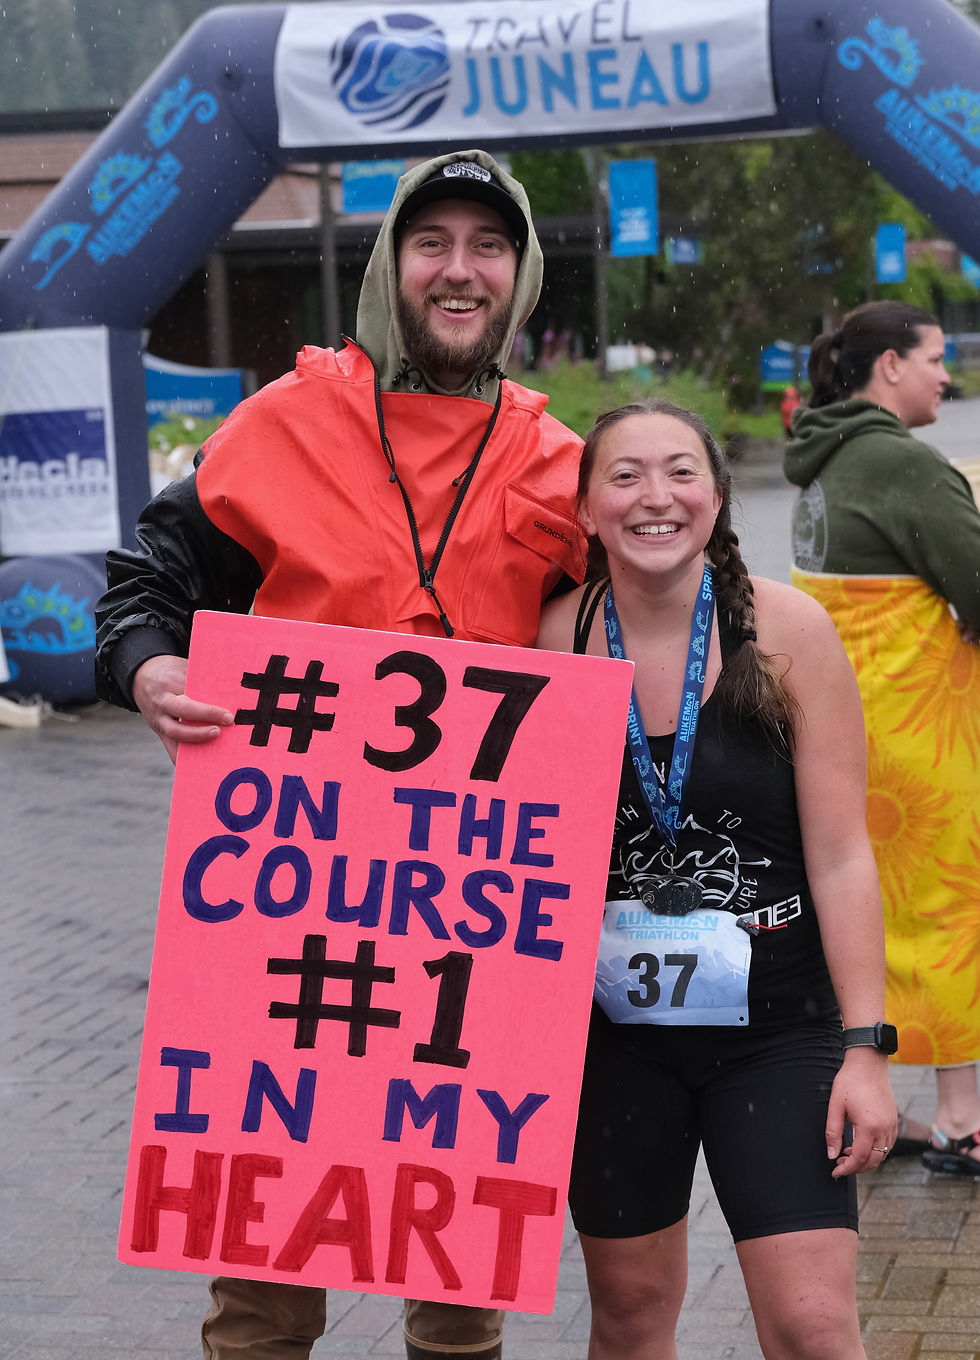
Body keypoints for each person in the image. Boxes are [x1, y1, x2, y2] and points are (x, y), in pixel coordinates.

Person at [94, 149, 587, 1360]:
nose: (458, 270)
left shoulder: (563, 462)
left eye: (487, 245)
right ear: (390, 266)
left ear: (518, 280)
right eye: (432, 244)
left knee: (459, 1289)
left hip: (473, 923)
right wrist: (152, 668)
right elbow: (144, 586)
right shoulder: (282, 423)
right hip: (287, 909)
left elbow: (647, 647)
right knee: (259, 1290)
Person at [535, 397, 896, 1360]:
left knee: (814, 1326)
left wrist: (867, 1047)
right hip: (613, 1044)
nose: (656, 497)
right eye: (624, 476)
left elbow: (842, 852)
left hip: (777, 1030)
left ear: (720, 497)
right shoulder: (547, 642)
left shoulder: (789, 631)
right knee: (631, 1312)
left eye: (681, 472)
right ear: (584, 509)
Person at [785, 301, 980, 1174]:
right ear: (890, 366)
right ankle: (962, 1119)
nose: (949, 375)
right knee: (951, 911)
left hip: (836, 731)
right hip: (919, 736)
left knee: (867, 912)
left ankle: (870, 1106)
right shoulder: (901, 464)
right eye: (936, 358)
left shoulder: (820, 461)